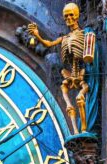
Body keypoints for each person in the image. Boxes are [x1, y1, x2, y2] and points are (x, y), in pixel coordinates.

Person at [28, 3, 98, 135]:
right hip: (69, 73)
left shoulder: (85, 34)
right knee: (68, 100)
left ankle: (83, 129)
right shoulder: (64, 38)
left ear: (77, 16)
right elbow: (49, 44)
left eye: (71, 15)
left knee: (79, 98)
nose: (68, 19)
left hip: (82, 73)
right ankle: (76, 131)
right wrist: (37, 35)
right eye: (66, 16)